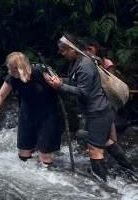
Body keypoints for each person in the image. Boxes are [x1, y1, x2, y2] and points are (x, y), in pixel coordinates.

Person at [45, 35, 134, 182]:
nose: (62, 54)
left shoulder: (84, 65)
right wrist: (62, 80)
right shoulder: (77, 63)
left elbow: (82, 92)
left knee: (94, 149)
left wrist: (60, 86)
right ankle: (129, 169)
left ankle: (103, 186)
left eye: (64, 51)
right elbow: (76, 82)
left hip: (99, 112)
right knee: (106, 141)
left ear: (73, 49)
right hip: (101, 111)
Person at [0, 52, 61, 166]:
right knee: (23, 152)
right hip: (27, 115)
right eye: (10, 70)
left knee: (44, 154)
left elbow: (58, 86)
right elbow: (1, 95)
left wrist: (57, 84)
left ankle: (44, 176)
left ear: (23, 67)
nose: (12, 73)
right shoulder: (11, 78)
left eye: (15, 70)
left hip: (47, 116)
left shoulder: (39, 72)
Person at [82, 36, 119, 143]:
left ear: (96, 48)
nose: (88, 52)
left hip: (106, 98)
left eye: (90, 49)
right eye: (85, 50)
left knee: (110, 126)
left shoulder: (106, 62)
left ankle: (113, 144)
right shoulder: (84, 64)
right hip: (93, 98)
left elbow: (112, 80)